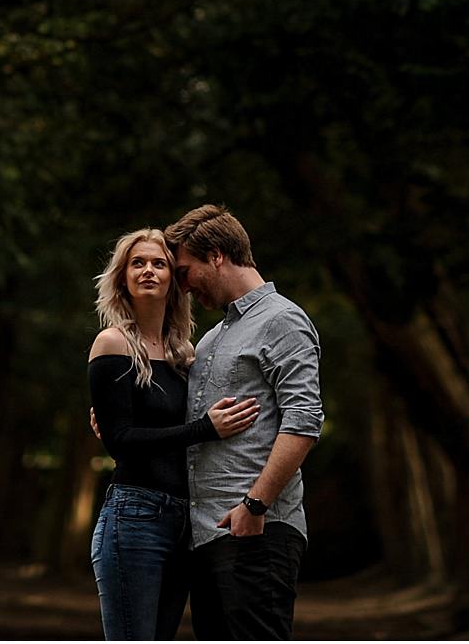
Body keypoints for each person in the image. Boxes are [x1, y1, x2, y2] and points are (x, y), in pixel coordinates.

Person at [88, 228, 261, 641]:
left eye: (159, 263)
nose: (148, 270)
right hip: (135, 516)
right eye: (138, 263)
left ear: (173, 279)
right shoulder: (111, 344)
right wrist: (204, 429)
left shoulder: (187, 354)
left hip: (187, 520)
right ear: (122, 278)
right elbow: (120, 441)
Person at [166, 204, 324, 641]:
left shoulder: (283, 320)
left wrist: (255, 506)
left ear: (216, 255)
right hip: (207, 537)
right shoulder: (213, 337)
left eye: (184, 271)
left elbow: (305, 419)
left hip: (258, 531)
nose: (181, 286)